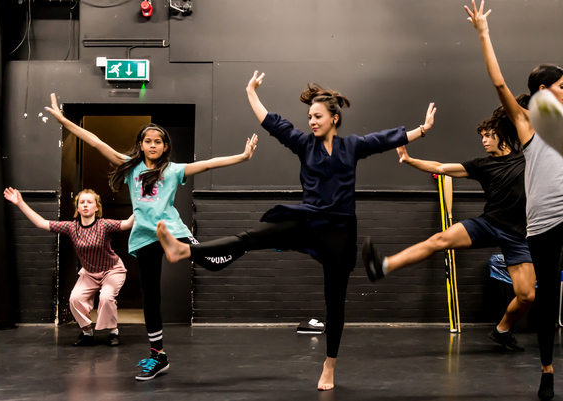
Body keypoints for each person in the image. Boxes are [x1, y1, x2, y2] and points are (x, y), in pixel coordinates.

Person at [155, 70, 436, 390]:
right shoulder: (304, 144)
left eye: (317, 116)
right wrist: (250, 92)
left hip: (340, 230)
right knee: (253, 237)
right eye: (309, 116)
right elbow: (273, 123)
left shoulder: (353, 146)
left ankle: (329, 366)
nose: (312, 121)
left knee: (335, 299)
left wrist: (421, 131)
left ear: (334, 118)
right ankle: (185, 249)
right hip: (308, 220)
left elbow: (385, 139)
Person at [44, 93, 258, 381]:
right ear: (141, 145)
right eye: (148, 141)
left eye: (158, 141)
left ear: (165, 146)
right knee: (151, 297)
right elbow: (95, 142)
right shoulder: (132, 167)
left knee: (213, 262)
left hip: (173, 232)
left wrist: (242, 158)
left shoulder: (173, 171)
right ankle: (158, 356)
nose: (153, 145)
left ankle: (245, 244)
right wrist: (63, 121)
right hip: (144, 237)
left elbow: (207, 164)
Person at [362, 102, 535, 352]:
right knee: (439, 240)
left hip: (517, 234)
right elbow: (441, 168)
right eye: (482, 137)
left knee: (527, 295)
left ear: (502, 136)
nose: (484, 141)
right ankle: (383, 265)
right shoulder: (481, 166)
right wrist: (409, 160)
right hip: (488, 224)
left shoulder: (525, 158)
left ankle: (502, 330)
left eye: (488, 136)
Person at [466, 1, 563, 398]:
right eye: (562, 86)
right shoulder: (526, 122)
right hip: (542, 220)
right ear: (544, 90)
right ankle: (546, 370)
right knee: (546, 297)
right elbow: (499, 83)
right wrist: (484, 34)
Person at [4, 187, 133, 346]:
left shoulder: (104, 225)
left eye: (89, 202)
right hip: (89, 273)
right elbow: (41, 223)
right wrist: (20, 203)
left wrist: (142, 206)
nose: (85, 205)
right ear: (77, 207)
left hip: (112, 270)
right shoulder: (72, 227)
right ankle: (87, 332)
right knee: (75, 299)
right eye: (82, 202)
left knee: (106, 297)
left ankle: (113, 332)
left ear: (97, 207)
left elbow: (127, 224)